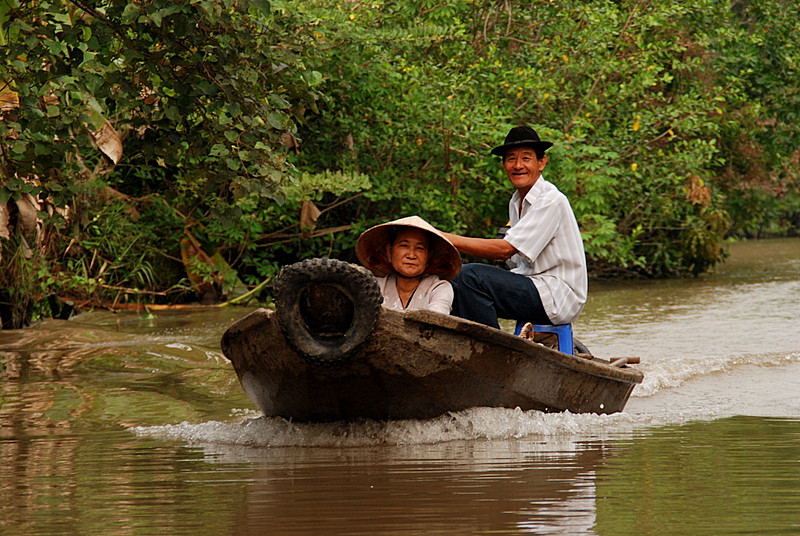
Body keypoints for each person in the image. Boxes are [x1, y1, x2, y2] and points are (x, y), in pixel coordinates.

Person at [440, 125, 588, 329]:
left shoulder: (550, 199)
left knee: (471, 277)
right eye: (511, 159)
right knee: (452, 280)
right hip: (530, 282)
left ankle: (492, 348)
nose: (518, 165)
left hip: (557, 295)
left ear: (541, 162)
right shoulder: (516, 201)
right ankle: (462, 342)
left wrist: (442, 237)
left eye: (526, 158)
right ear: (504, 165)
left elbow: (505, 250)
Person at [356, 216, 461, 315]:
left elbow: (436, 320)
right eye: (404, 245)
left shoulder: (438, 288)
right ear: (389, 252)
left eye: (419, 248)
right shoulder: (375, 287)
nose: (411, 255)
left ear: (429, 257)